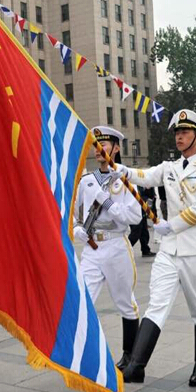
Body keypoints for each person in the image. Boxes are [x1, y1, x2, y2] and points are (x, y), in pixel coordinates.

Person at [113, 109, 196, 387]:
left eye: (185, 132)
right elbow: (145, 176)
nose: (180, 136)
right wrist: (120, 168)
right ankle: (137, 366)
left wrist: (170, 226)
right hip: (169, 251)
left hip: (195, 249)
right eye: (177, 132)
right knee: (156, 306)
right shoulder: (169, 168)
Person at [74, 126, 143, 370]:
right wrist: (77, 230)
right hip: (92, 248)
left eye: (104, 145)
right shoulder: (86, 181)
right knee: (83, 298)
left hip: (116, 244)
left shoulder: (124, 180)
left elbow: (135, 216)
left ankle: (130, 355)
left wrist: (110, 204)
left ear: (116, 148)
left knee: (125, 302)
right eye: (96, 145)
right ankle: (84, 353)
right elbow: (76, 215)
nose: (99, 150)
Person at [129, 185, 156, 257]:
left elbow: (150, 194)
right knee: (136, 233)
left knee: (144, 231)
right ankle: (125, 249)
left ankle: (145, 250)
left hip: (142, 208)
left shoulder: (143, 182)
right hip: (134, 210)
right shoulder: (133, 182)